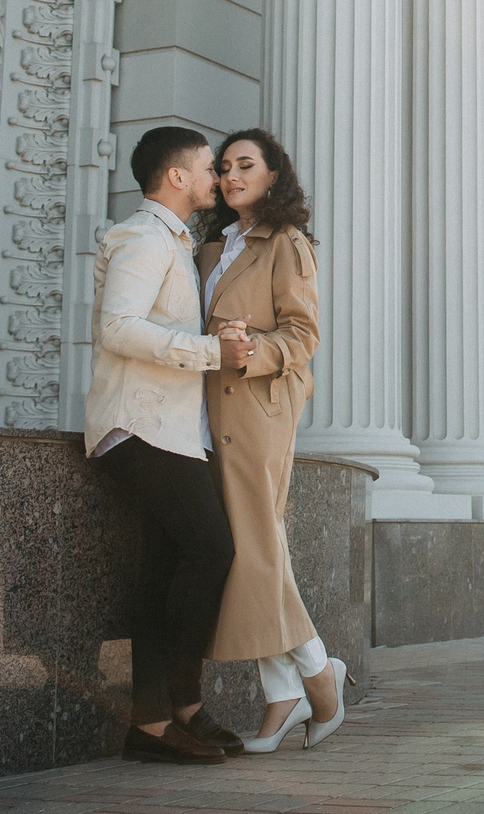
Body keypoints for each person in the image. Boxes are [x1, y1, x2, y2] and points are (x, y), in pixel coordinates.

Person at [85, 125, 242, 765]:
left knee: (162, 573)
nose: (217, 178)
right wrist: (213, 351)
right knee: (213, 549)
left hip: (172, 430)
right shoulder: (145, 238)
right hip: (139, 428)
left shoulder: (177, 243)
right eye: (209, 167)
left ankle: (159, 721)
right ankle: (178, 707)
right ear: (177, 177)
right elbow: (118, 327)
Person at [200, 128, 350, 752]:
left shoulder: (286, 243)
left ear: (272, 175)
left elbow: (302, 335)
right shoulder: (213, 247)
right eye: (225, 167)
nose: (233, 176)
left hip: (258, 406)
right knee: (251, 548)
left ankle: (315, 680)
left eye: (246, 165)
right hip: (206, 411)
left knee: (256, 544)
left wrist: (250, 350)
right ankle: (290, 687)